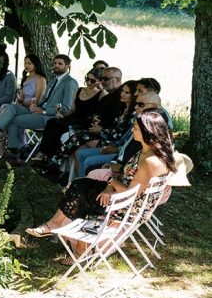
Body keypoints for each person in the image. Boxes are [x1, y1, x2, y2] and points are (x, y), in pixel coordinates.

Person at [26, 109, 175, 259]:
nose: (132, 130)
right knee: (81, 186)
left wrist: (110, 182)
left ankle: (66, 235)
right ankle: (69, 238)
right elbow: (123, 175)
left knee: (82, 194)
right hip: (122, 196)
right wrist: (109, 186)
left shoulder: (150, 161)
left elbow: (131, 194)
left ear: (146, 131)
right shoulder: (147, 151)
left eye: (135, 127)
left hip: (128, 208)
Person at [0, 54, 77, 159]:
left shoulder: (70, 82)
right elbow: (44, 100)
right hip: (37, 111)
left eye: (60, 64)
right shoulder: (53, 81)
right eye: (55, 63)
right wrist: (35, 106)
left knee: (12, 120)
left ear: (67, 66)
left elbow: (66, 108)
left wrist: (44, 111)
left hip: (49, 118)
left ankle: (14, 152)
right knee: (10, 107)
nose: (56, 65)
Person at [34, 69, 105, 161]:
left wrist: (102, 88)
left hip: (84, 122)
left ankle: (50, 156)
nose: (88, 82)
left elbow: (107, 98)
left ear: (98, 82)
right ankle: (43, 153)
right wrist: (63, 114)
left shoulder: (100, 94)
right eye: (87, 79)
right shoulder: (79, 90)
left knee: (59, 127)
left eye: (92, 81)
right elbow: (72, 110)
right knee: (52, 122)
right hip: (73, 118)